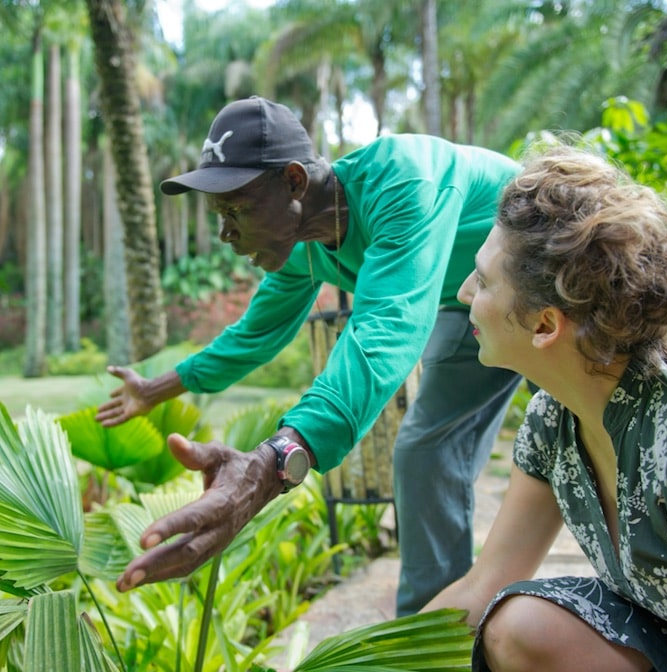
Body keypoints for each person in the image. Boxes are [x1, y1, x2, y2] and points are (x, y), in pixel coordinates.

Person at [96, 95, 522, 614]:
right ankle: (430, 636)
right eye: (219, 216)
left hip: (552, 274)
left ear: (294, 182)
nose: (226, 233)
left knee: (587, 430)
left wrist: (270, 464)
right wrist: (155, 388)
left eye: (235, 209)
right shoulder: (304, 247)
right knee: (423, 454)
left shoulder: (402, 180)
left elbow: (386, 329)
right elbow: (255, 334)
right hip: (469, 303)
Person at [424, 145, 667, 671]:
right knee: (518, 625)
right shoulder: (555, 420)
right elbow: (484, 585)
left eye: (482, 280)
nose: (462, 294)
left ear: (545, 325)